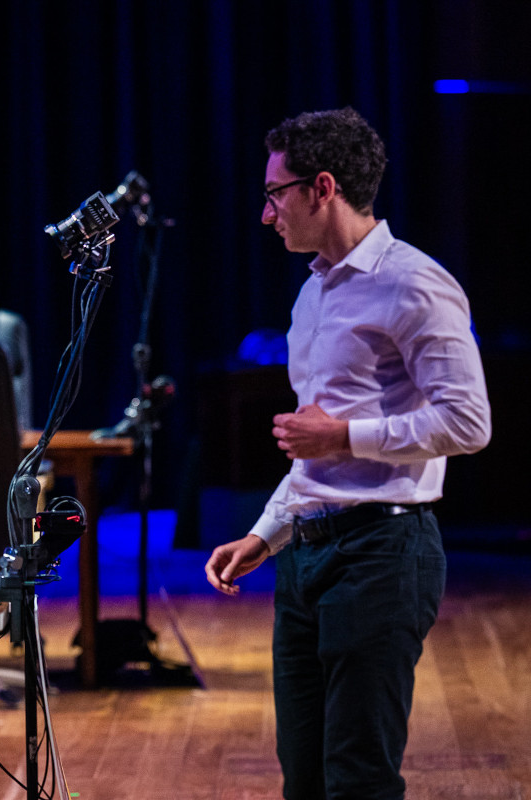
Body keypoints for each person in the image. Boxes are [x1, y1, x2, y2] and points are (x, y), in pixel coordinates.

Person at [204, 107, 491, 799]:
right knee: (302, 775)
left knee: (357, 776)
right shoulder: (313, 293)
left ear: (323, 188)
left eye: (276, 194)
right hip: (308, 554)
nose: (266, 214)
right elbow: (313, 448)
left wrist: (345, 436)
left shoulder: (414, 282)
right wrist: (266, 532)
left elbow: (468, 422)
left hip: (383, 551)